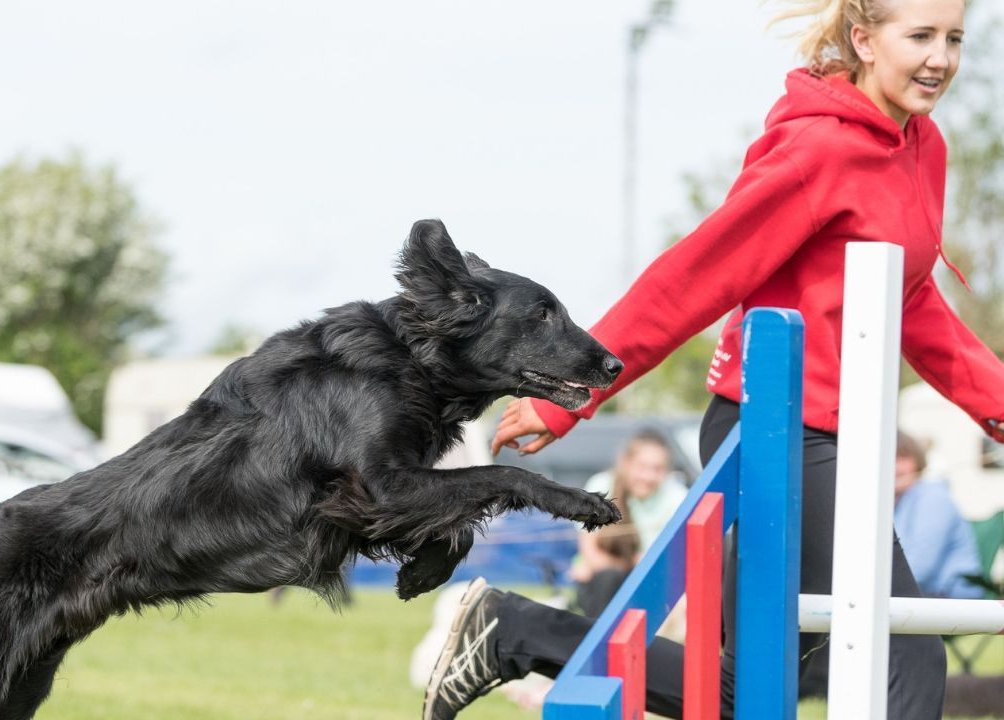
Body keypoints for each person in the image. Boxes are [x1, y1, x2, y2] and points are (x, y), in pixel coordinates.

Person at [420, 0, 1004, 718]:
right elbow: (693, 279)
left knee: (747, 688)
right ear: (864, 38)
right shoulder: (818, 152)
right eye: (920, 36)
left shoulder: (924, 148)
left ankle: (513, 630)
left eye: (953, 38)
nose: (941, 58)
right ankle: (517, 630)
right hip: (775, 430)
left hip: (841, 437)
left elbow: (911, 304)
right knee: (906, 650)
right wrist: (571, 389)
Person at [570, 429, 688, 617]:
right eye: (642, 467)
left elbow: (674, 560)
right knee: (608, 577)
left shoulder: (677, 495)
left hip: (655, 583)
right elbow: (592, 555)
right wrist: (630, 563)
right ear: (626, 463)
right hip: (607, 584)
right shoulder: (601, 486)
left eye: (657, 469)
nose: (648, 477)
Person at [892, 429, 985, 600]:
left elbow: (919, 570)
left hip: (951, 600)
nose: (895, 467)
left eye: (902, 458)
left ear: (918, 462)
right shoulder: (897, 501)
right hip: (922, 595)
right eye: (889, 459)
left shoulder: (933, 498)